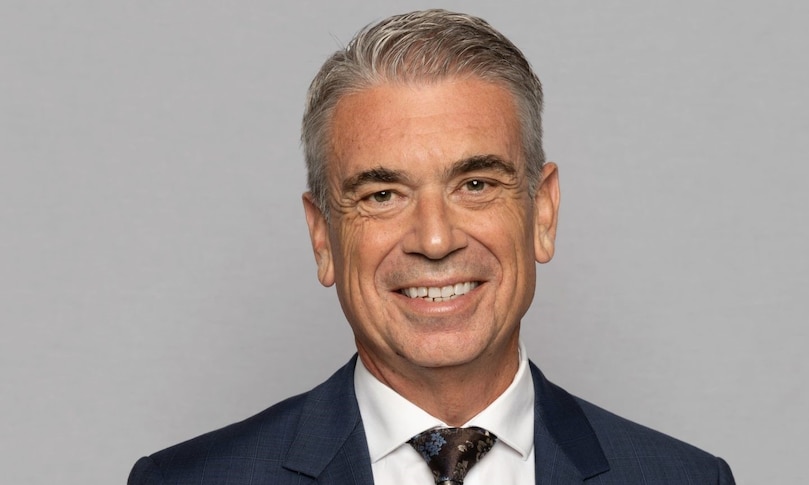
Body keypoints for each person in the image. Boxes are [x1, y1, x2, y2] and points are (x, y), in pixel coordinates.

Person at [128, 9, 734, 484]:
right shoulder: (189, 481)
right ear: (323, 239)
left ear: (543, 212)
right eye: (383, 194)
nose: (435, 240)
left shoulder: (683, 478)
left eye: (475, 184)